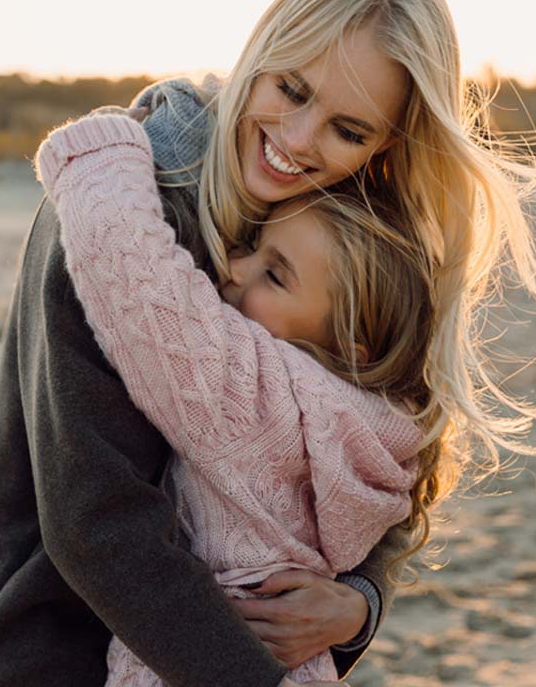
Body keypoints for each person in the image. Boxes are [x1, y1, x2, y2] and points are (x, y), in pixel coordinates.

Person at [0, 0, 536, 687]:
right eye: (292, 88)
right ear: (263, 47)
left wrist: (360, 603)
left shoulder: (335, 233)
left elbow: (367, 443)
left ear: (386, 145)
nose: (301, 141)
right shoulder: (112, 212)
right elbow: (96, 523)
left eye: (351, 130)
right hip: (50, 649)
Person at [34, 108, 434, 683]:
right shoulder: (386, 434)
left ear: (352, 343)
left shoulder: (262, 402)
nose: (232, 267)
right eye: (253, 245)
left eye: (275, 275)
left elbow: (129, 267)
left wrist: (105, 146)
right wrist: (365, 600)